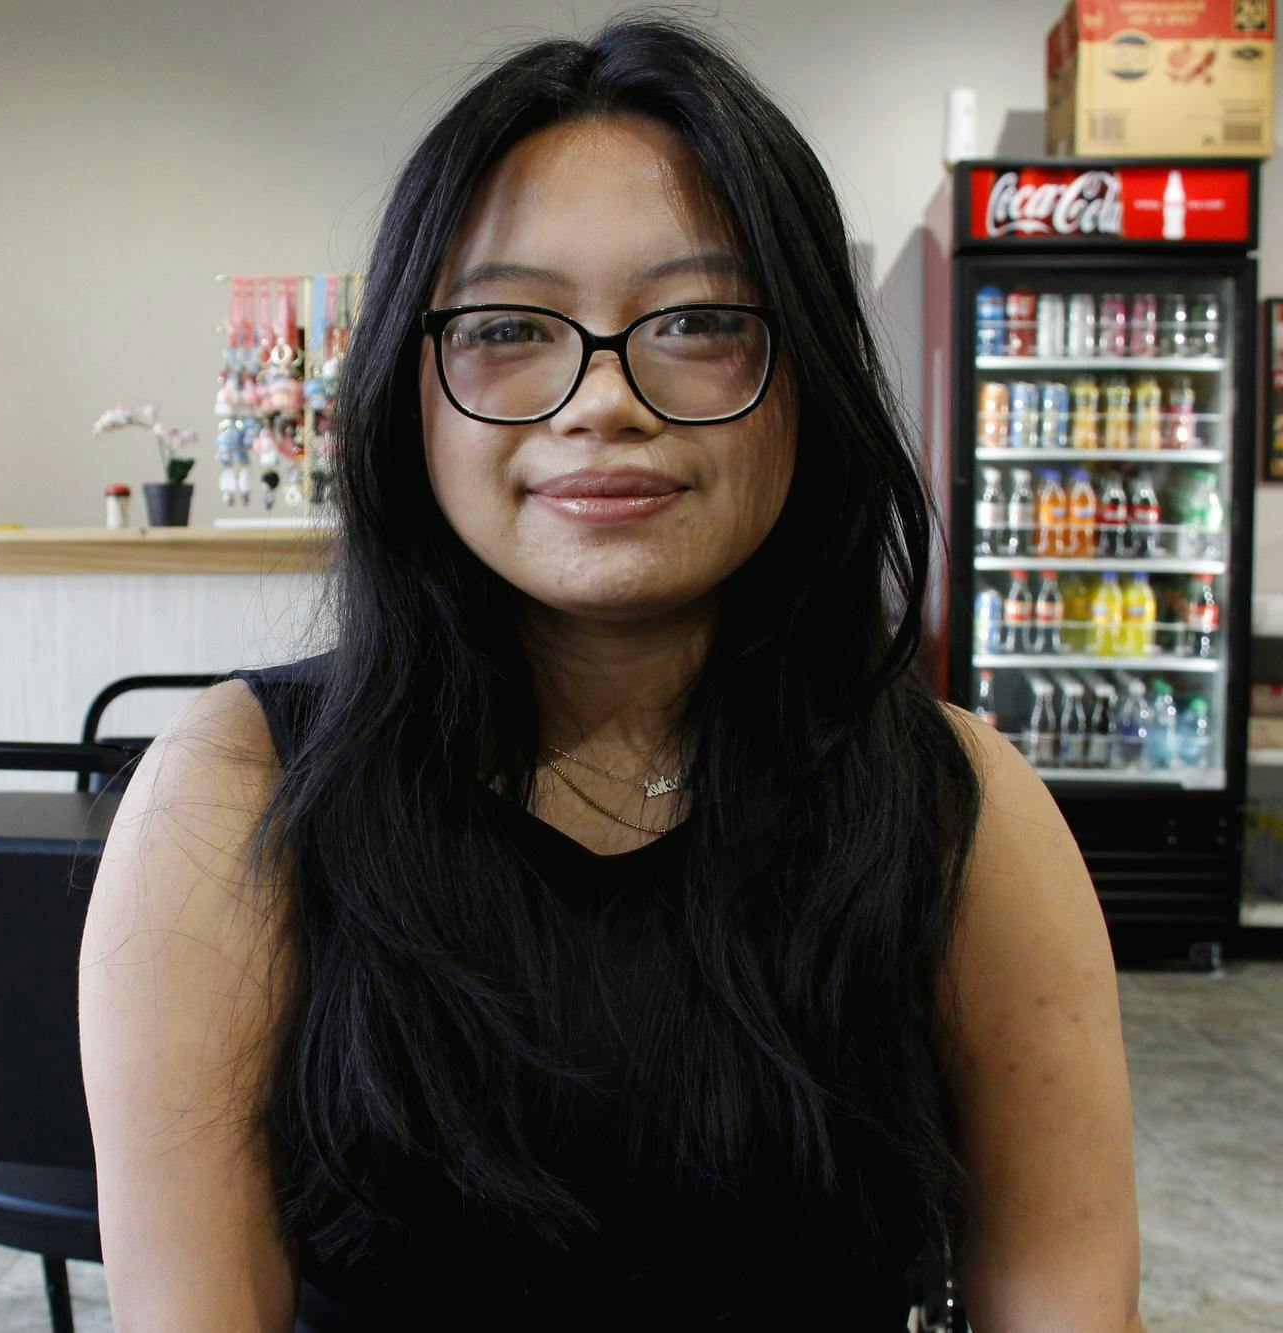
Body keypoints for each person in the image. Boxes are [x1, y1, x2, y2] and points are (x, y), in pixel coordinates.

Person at [79, 14, 1143, 1331]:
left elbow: (1068, 1300)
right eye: (510, 326)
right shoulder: (232, 794)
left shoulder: (956, 808)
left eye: (697, 321)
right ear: (410, 390)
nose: (600, 402)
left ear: (805, 373)